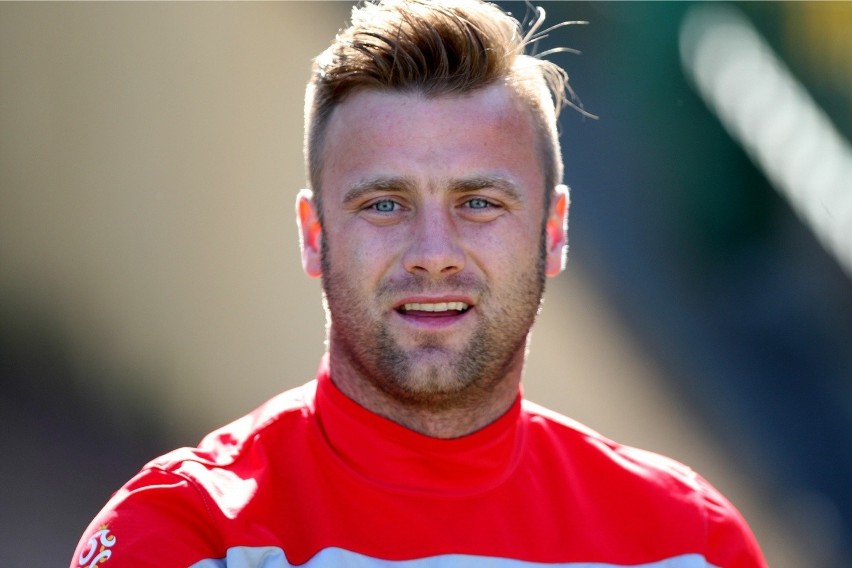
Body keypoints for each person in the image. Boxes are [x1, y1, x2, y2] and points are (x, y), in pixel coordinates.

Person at [72, 1, 768, 566]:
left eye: (479, 203)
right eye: (384, 204)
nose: (434, 253)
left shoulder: (691, 544)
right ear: (314, 236)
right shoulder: (183, 531)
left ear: (553, 231)